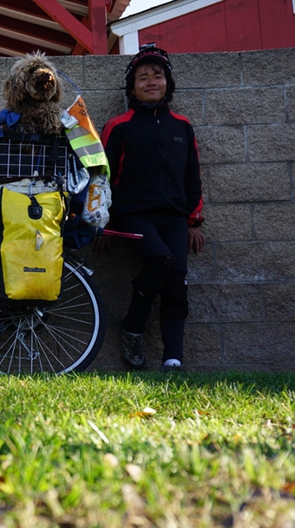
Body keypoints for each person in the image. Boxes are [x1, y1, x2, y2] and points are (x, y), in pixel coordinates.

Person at [100, 44, 205, 372]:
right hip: (132, 215)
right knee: (160, 262)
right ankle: (132, 327)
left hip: (174, 218)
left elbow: (193, 175)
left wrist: (194, 221)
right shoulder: (119, 126)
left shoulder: (182, 127)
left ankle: (173, 360)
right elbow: (101, 177)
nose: (150, 82)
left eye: (157, 76)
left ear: (167, 83)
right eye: (142, 77)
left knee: (177, 282)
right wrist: (101, 220)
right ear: (132, 87)